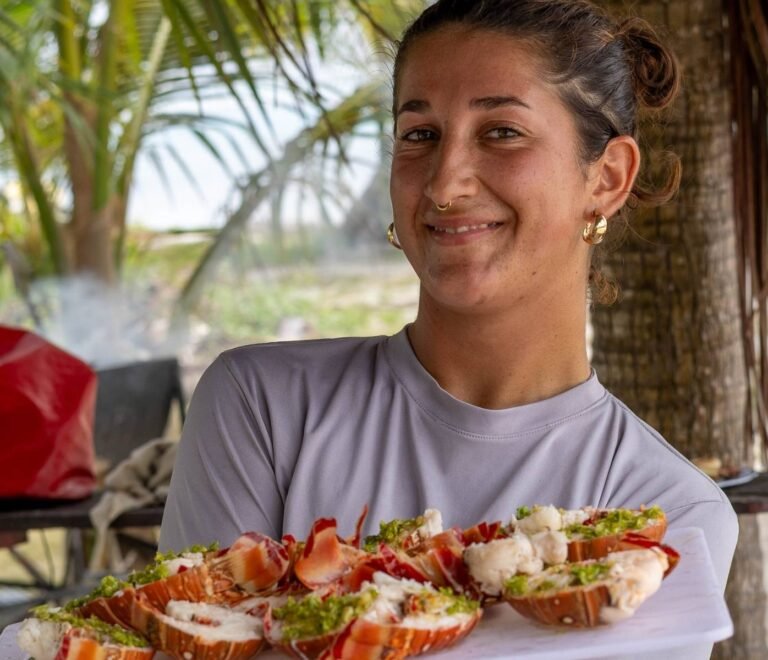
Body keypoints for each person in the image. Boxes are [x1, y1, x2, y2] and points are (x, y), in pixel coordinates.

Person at [160, 0, 737, 621]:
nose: (443, 183)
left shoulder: (665, 511)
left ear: (607, 177)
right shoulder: (263, 408)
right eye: (420, 136)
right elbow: (190, 634)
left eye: (501, 133)